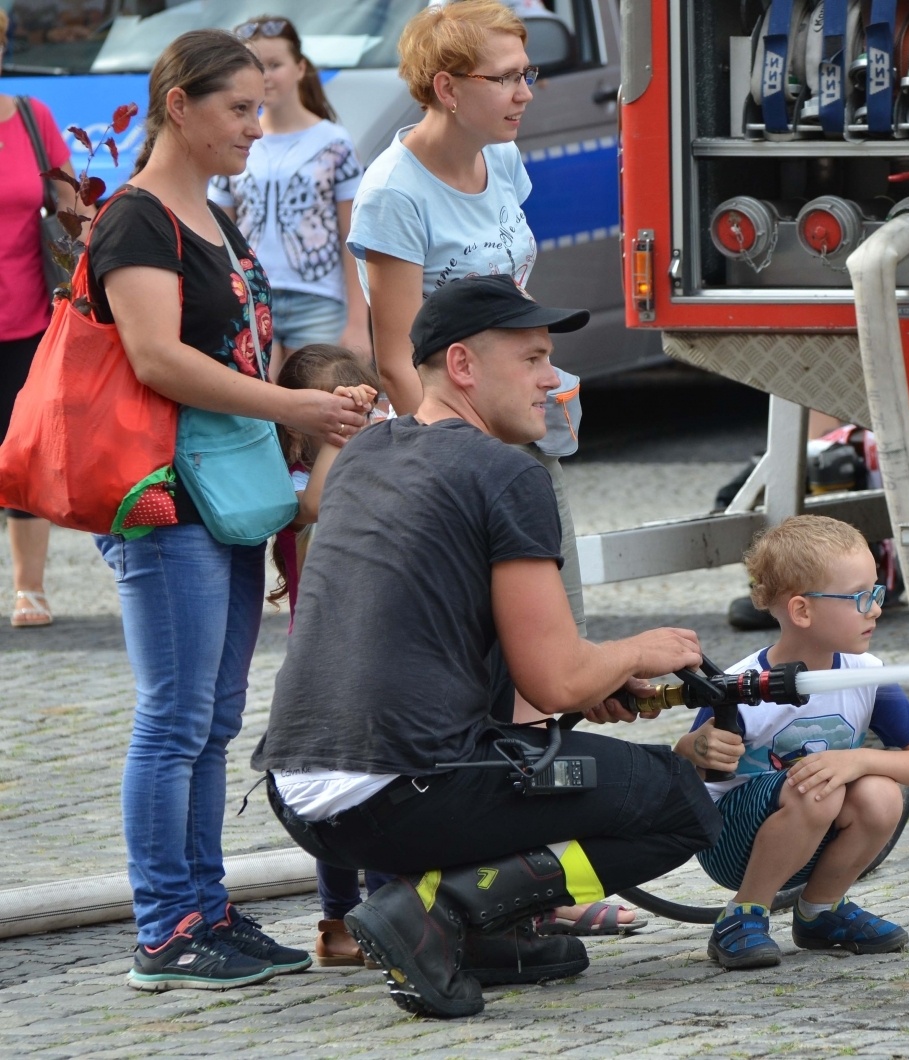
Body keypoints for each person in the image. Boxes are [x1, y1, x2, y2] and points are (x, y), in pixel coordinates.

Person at [252, 274, 722, 1019]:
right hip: (398, 790)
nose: (552, 379)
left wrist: (592, 682)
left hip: (302, 795)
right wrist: (636, 652)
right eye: (533, 358)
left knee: (547, 793)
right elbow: (559, 678)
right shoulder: (508, 473)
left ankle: (476, 932)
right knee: (680, 803)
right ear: (464, 366)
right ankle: (443, 913)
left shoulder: (368, 454)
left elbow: (472, 649)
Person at [88, 29, 368, 991]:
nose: (258, 125)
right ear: (181, 106)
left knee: (210, 720)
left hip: (224, 494)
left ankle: (206, 909)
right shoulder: (135, 220)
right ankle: (166, 927)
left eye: (261, 105)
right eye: (238, 109)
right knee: (173, 719)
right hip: (159, 498)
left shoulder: (211, 213)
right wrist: (295, 406)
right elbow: (158, 359)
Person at [348, 0, 614, 928]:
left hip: (518, 434)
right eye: (505, 77)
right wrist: (465, 445)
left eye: (527, 72)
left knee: (546, 655)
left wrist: (540, 384)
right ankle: (478, 888)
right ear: (446, 87)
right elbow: (395, 355)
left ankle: (541, 887)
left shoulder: (503, 161)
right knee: (476, 663)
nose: (525, 92)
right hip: (455, 457)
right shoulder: (392, 191)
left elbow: (515, 300)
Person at [675, 515, 909, 970]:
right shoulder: (743, 686)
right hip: (731, 845)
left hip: (814, 833)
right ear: (802, 611)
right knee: (819, 787)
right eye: (861, 597)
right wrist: (693, 748)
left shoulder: (869, 677)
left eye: (878, 592)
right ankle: (742, 915)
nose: (876, 609)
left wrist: (859, 759)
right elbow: (687, 767)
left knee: (881, 791)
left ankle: (820, 912)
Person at [267, 344, 394, 966]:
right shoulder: (293, 484)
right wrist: (340, 433)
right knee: (338, 795)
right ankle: (339, 923)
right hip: (323, 671)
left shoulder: (376, 462)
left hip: (383, 660)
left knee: (387, 785)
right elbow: (318, 506)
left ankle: (392, 915)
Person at [209, 16, 368, 374]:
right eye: (255, 66)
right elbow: (219, 231)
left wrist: (359, 322)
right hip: (250, 296)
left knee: (319, 410)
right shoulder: (231, 141)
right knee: (262, 411)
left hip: (320, 301)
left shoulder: (333, 142)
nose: (265, 76)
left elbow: (354, 238)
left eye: (275, 65)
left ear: (300, 68)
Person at [0, 9, 74, 628]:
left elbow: (69, 199)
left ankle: (29, 587)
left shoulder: (31, 116)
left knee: (23, 449)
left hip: (27, 314)